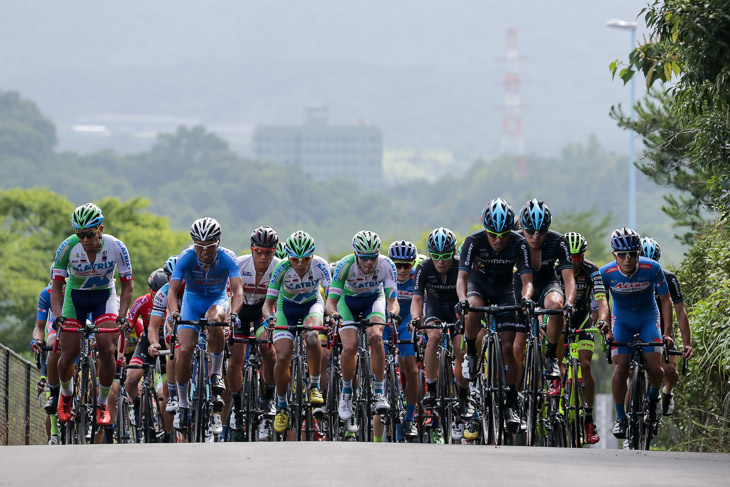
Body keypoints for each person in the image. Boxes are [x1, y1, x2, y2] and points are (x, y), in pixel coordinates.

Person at [51, 203, 133, 427]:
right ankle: (66, 395)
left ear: (100, 229)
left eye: (89, 234)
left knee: (107, 348)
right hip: (74, 299)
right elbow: (56, 286)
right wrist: (58, 316)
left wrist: (123, 315)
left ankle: (102, 403)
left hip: (104, 298)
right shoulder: (68, 247)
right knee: (68, 353)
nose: (85, 240)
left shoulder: (116, 247)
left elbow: (128, 287)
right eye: (80, 235)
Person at [456, 198, 533, 435]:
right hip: (478, 287)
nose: (498, 240)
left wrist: (526, 299)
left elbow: (526, 281)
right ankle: (470, 351)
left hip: (504, 291)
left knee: (509, 348)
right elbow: (462, 279)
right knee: (473, 306)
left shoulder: (519, 243)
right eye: (493, 235)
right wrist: (462, 300)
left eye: (503, 235)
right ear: (485, 230)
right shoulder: (473, 241)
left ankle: (511, 405)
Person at [162, 217, 243, 432]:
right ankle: (182, 405)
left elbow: (238, 292)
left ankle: (216, 374)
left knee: (215, 320)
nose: (204, 250)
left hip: (216, 300)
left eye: (209, 246)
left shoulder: (228, 258)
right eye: (199, 245)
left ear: (218, 243)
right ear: (193, 243)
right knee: (185, 350)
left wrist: (233, 314)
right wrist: (175, 313)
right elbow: (172, 291)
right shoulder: (186, 257)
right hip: (192, 302)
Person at [600, 227, 674, 439]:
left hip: (648, 320)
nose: (627, 259)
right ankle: (621, 418)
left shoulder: (652, 268)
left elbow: (666, 301)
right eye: (622, 255)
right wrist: (605, 326)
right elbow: (602, 303)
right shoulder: (605, 273)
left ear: (638, 253)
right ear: (614, 255)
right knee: (621, 368)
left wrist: (667, 333)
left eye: (632, 254)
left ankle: (652, 397)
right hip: (621, 321)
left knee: (654, 368)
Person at [325, 230, 399, 435]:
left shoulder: (386, 265)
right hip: (347, 302)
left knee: (376, 336)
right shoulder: (344, 266)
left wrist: (392, 314)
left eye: (372, 257)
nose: (368, 263)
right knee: (349, 347)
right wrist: (333, 315)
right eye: (364, 258)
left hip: (374, 300)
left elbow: (392, 301)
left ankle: (379, 392)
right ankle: (347, 391)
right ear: (356, 254)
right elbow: (331, 302)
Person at [262, 231, 331, 434]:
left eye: (305, 259)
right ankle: (282, 406)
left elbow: (331, 297)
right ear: (288, 257)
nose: (300, 264)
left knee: (311, 333)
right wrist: (269, 318)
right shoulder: (281, 269)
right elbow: (268, 304)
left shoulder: (321, 265)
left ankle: (314, 386)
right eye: (295, 259)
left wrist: (330, 317)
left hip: (312, 305)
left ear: (312, 255)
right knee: (282, 356)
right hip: (286, 310)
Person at [514, 199, 576, 395]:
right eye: (530, 230)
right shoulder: (513, 241)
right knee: (516, 347)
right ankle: (512, 398)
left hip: (549, 282)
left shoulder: (558, 241)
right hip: (520, 286)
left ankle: (550, 356)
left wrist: (570, 303)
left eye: (541, 231)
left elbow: (569, 279)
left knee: (556, 305)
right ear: (522, 226)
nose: (535, 236)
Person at [411, 228, 463, 444]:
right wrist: (416, 319)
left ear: (453, 253)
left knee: (461, 348)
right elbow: (417, 300)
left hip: (456, 308)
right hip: (434, 308)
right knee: (433, 335)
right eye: (436, 255)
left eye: (446, 255)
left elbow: (466, 294)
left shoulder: (460, 265)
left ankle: (463, 395)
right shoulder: (424, 268)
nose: (441, 261)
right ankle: (431, 389)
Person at [230, 226, 280, 437]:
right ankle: (237, 404)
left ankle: (268, 397)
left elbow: (282, 298)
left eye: (267, 252)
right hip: (240, 311)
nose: (262, 256)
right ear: (252, 249)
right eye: (258, 251)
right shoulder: (239, 264)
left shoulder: (279, 268)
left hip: (262, 311)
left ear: (274, 252)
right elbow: (228, 295)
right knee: (236, 358)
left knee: (267, 350)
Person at [563, 232, 610, 444]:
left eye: (577, 257)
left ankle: (589, 419)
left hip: (582, 319)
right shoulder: (556, 267)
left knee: (585, 365)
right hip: (559, 319)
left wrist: (603, 320)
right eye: (569, 257)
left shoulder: (592, 270)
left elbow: (602, 300)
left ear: (582, 256)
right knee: (554, 364)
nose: (573, 261)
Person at [640, 237, 694, 416]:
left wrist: (687, 344)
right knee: (632, 377)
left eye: (652, 262)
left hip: (663, 329)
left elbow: (680, 312)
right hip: (639, 327)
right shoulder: (631, 278)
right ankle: (632, 427)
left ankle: (667, 392)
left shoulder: (669, 278)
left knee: (670, 370)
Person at [377, 240, 419, 441]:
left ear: (412, 264)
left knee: (412, 370)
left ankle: (410, 418)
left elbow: (423, 304)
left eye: (406, 265)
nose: (401, 270)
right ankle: (380, 393)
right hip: (384, 325)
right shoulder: (382, 276)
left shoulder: (417, 279)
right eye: (396, 265)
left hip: (405, 327)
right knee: (379, 364)